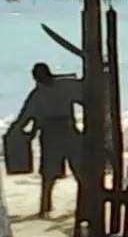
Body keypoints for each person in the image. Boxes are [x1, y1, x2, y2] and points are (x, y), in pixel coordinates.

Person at [14, 62, 85, 216]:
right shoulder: (63, 86)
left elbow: (25, 118)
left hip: (55, 133)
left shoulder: (40, 93)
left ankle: (48, 206)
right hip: (62, 131)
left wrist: (18, 132)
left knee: (66, 172)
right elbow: (86, 98)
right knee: (53, 174)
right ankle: (47, 206)